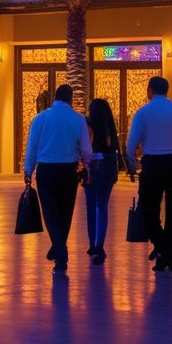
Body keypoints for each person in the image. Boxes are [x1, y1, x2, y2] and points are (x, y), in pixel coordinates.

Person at [126, 76, 172, 273]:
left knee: (148, 209)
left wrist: (132, 165)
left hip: (153, 164)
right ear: (167, 91)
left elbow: (131, 145)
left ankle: (161, 247)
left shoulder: (143, 112)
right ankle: (167, 253)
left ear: (150, 90)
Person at [23, 84, 92, 274]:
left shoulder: (40, 119)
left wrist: (28, 171)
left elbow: (32, 148)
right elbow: (86, 149)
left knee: (50, 211)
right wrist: (86, 165)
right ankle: (60, 248)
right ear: (70, 99)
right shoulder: (78, 120)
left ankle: (59, 250)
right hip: (68, 171)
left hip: (46, 170)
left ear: (54, 97)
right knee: (65, 211)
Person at [83, 97, 119, 266]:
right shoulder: (110, 129)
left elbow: (84, 147)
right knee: (102, 205)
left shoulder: (88, 126)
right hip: (108, 165)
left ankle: (92, 243)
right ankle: (99, 244)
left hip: (93, 165)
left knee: (90, 205)